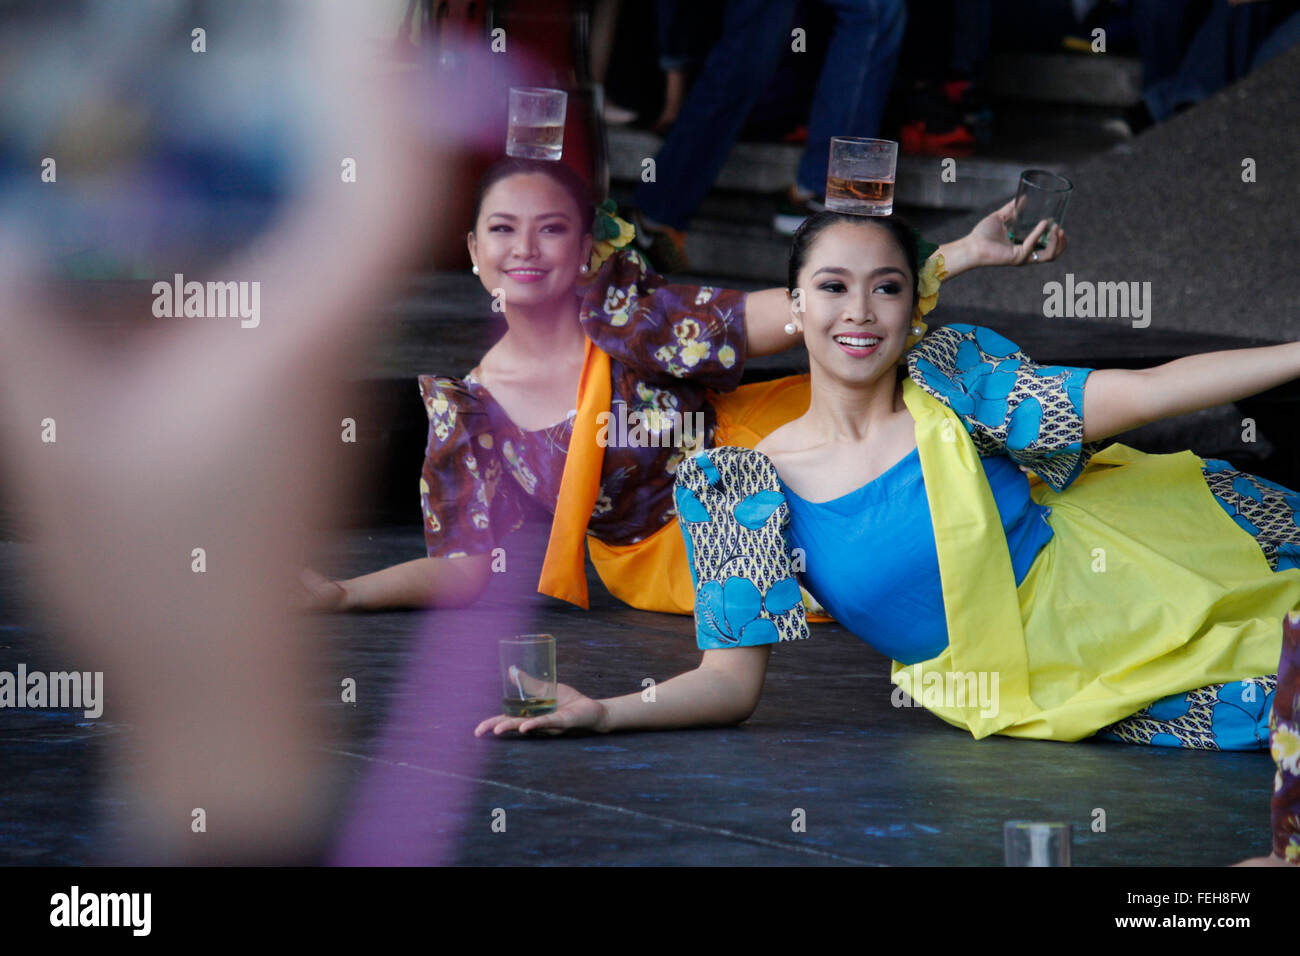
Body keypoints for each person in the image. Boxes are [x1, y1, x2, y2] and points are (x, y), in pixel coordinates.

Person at [475, 209, 1300, 749]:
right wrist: (608, 711)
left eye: (887, 289)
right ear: (795, 306)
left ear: (913, 309)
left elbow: (1149, 391)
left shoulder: (957, 383)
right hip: (1058, 685)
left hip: (1152, 573)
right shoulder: (735, 487)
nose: (859, 312)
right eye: (832, 288)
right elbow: (728, 684)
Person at [301, 157, 1067, 615]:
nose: (526, 249)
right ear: (472, 250)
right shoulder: (468, 410)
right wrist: (343, 595)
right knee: (912, 553)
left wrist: (959, 255)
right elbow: (466, 565)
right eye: (503, 229)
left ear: (583, 245)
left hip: (779, 438)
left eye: (552, 228)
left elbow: (805, 312)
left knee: (946, 418)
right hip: (680, 553)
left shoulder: (632, 315)